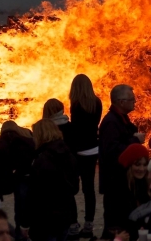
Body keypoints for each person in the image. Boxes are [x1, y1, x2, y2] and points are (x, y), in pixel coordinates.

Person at [20, 119, 79, 241]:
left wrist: (25, 222)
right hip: (65, 216)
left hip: (45, 220)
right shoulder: (68, 154)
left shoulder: (42, 160)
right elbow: (75, 187)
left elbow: (34, 194)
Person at [99, 84, 144, 240]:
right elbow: (111, 152)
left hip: (122, 182)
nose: (135, 102)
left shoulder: (120, 119)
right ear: (120, 101)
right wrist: (134, 140)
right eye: (132, 99)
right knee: (115, 226)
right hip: (115, 184)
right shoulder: (111, 122)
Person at [69, 74, 103, 239]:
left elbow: (76, 129)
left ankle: (73, 224)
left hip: (79, 150)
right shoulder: (97, 102)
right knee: (89, 189)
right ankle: (89, 225)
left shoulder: (76, 105)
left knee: (71, 187)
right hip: (93, 149)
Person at [0, 120, 35, 240]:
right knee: (33, 204)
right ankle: (32, 231)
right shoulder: (27, 134)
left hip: (20, 176)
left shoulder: (4, 139)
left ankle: (20, 233)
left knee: (20, 206)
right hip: (34, 174)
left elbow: (5, 158)